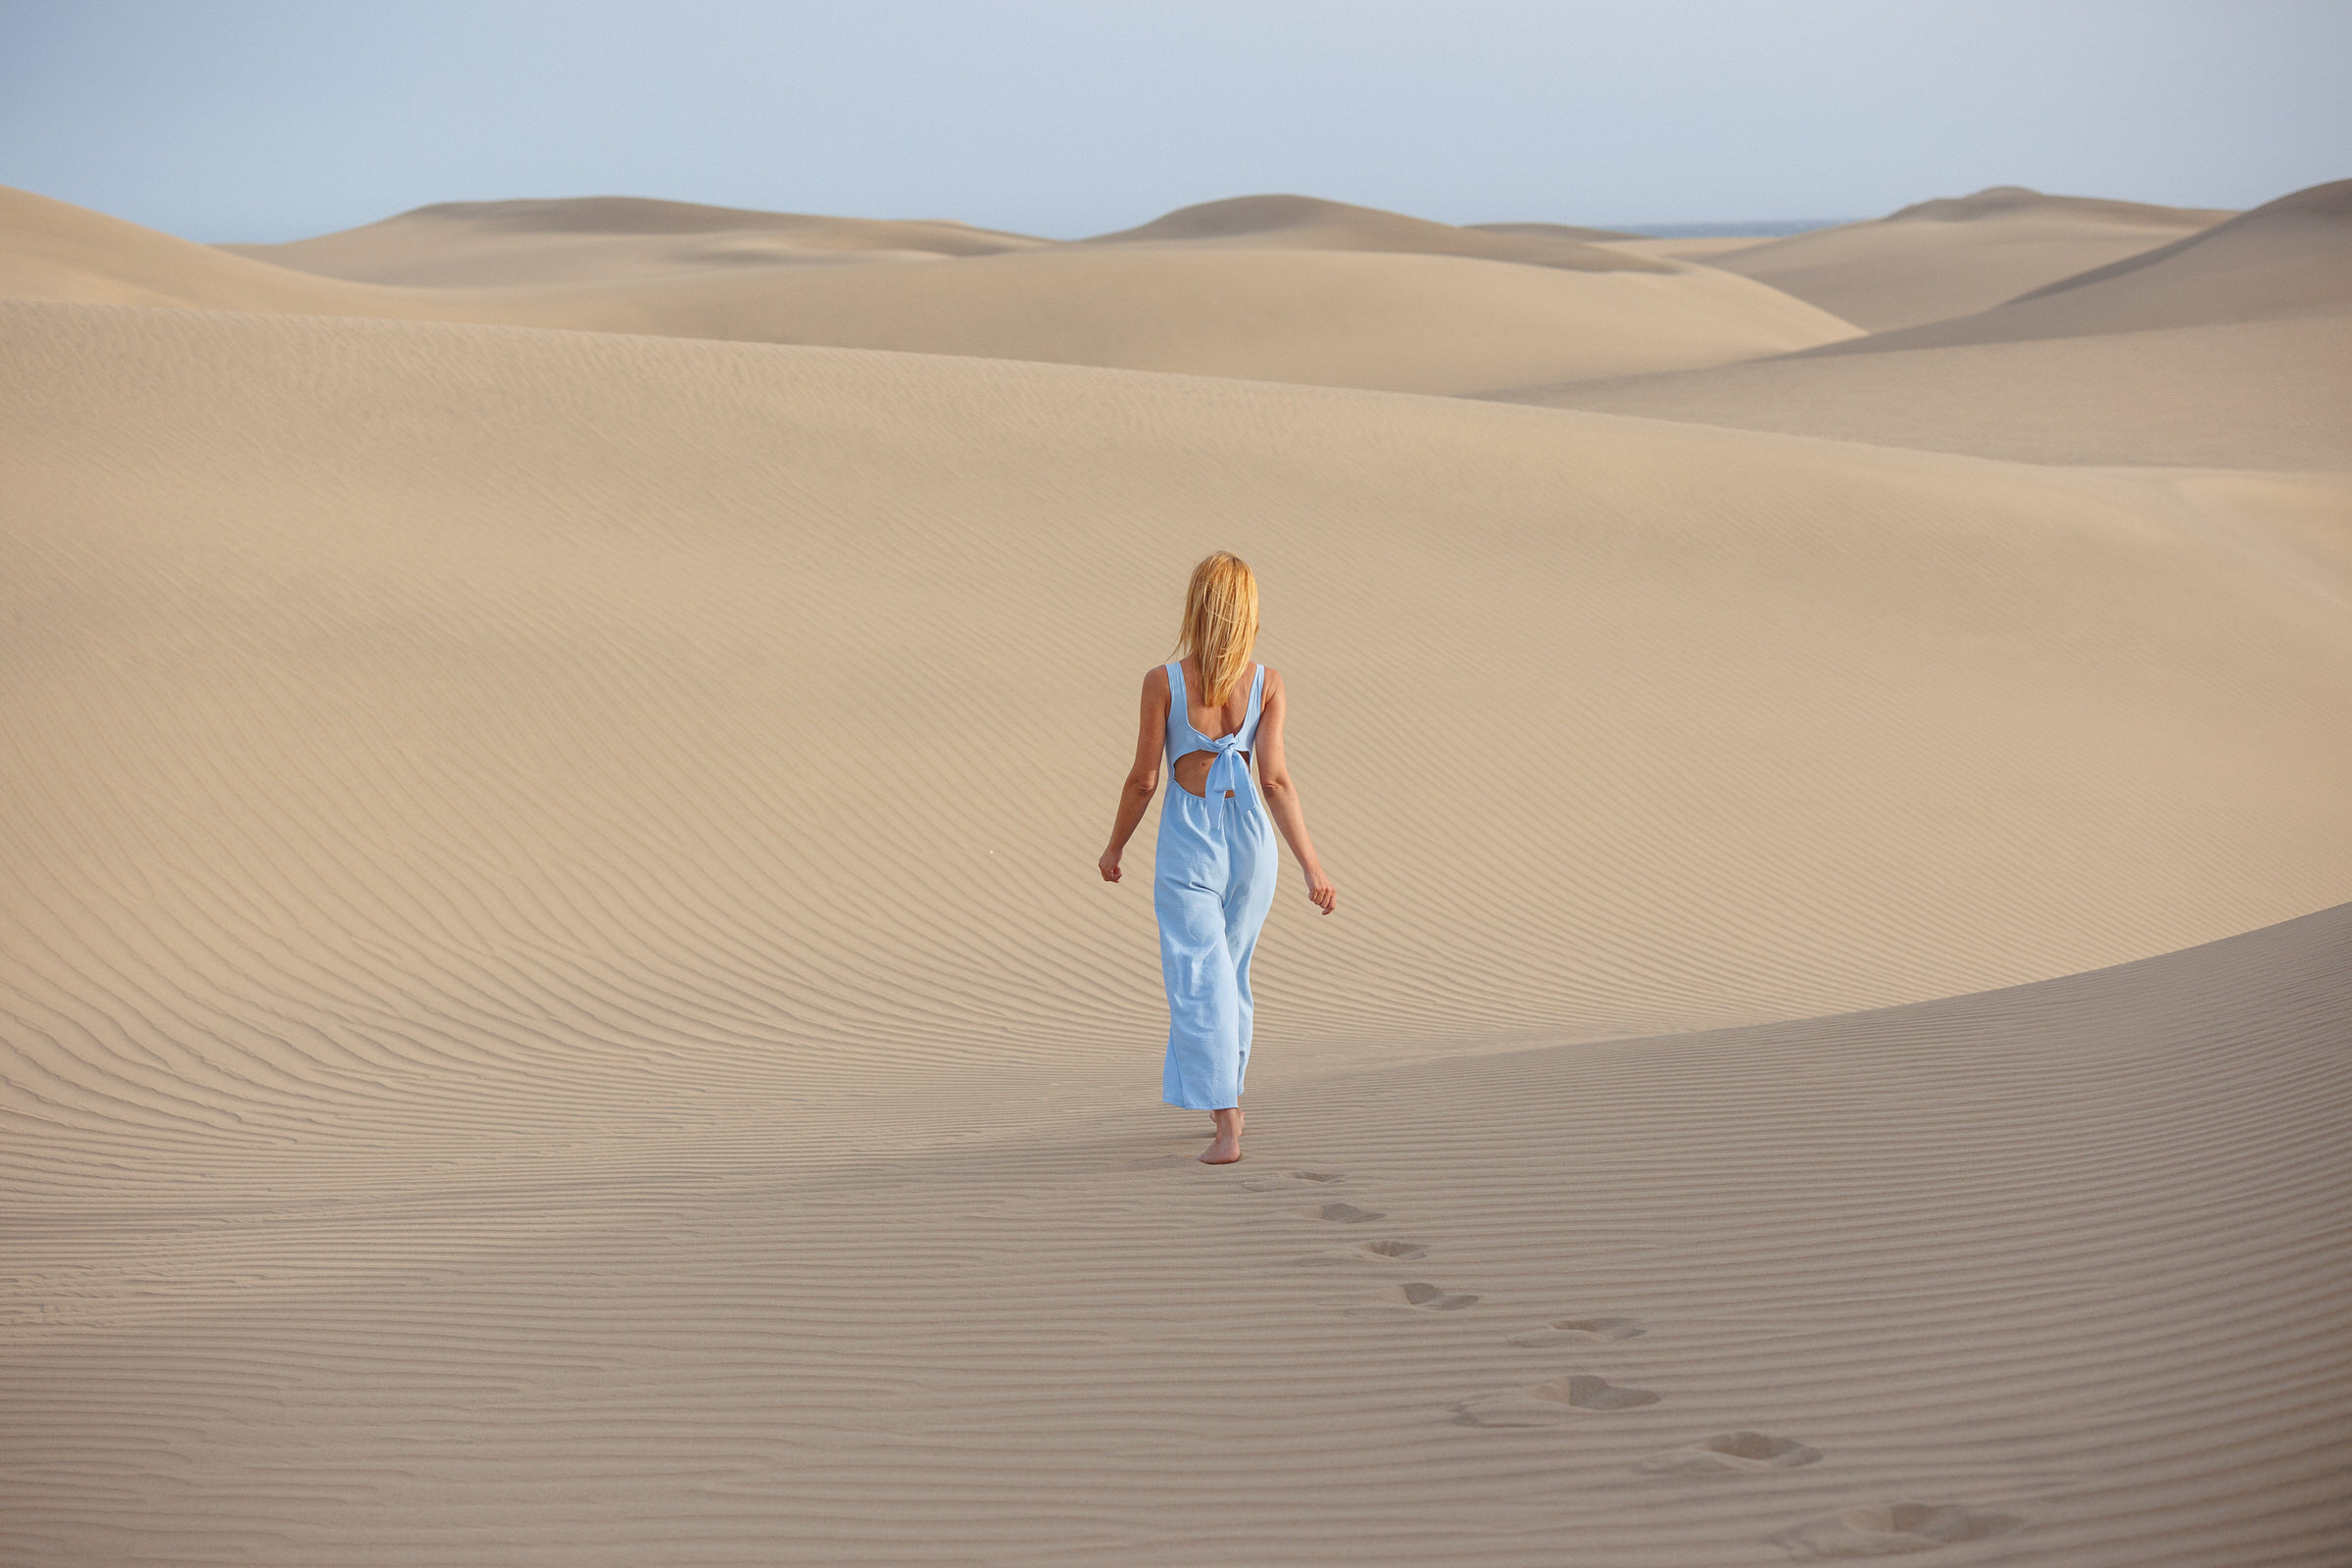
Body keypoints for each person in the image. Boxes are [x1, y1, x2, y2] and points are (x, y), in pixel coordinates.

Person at [1098, 552, 1337, 1165]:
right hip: (1253, 842)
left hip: (1192, 843)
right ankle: (1221, 1097)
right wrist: (1311, 866)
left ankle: (1228, 1118)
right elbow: (1277, 782)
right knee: (1228, 972)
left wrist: (1116, 844)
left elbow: (1145, 780)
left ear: (1197, 607)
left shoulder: (1164, 682)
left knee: (1200, 974)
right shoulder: (1268, 682)